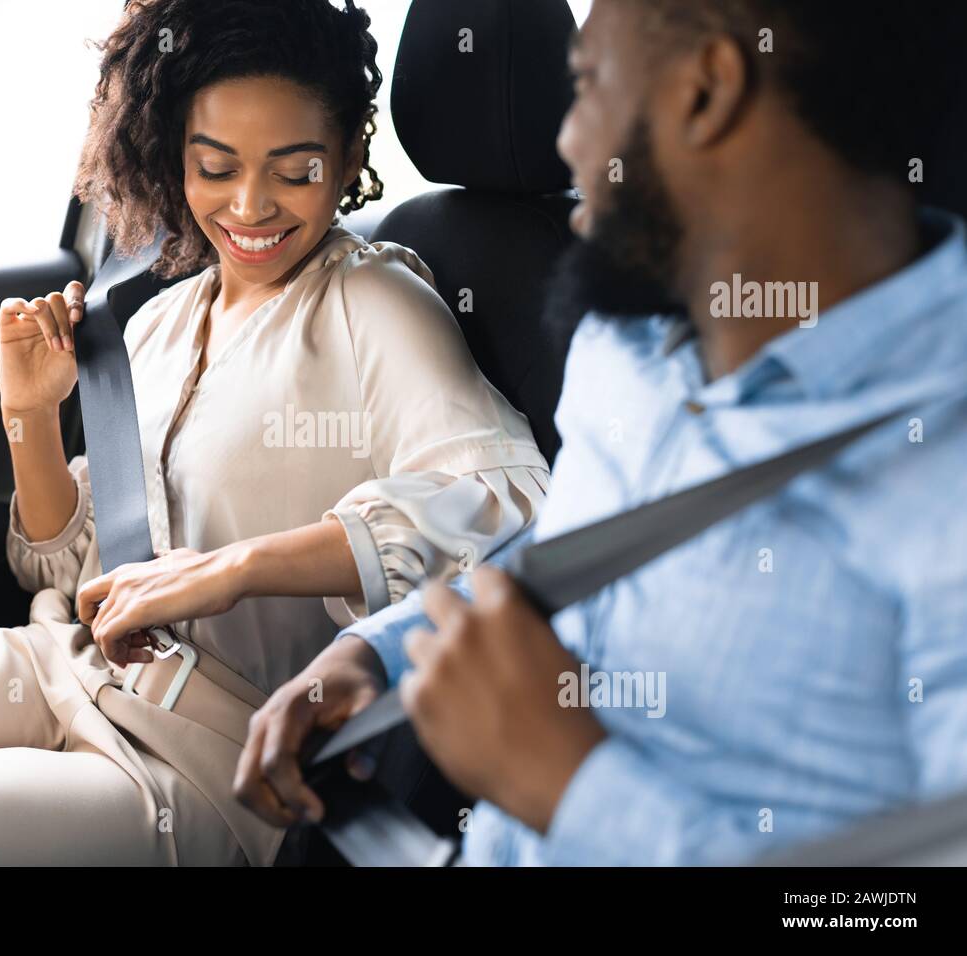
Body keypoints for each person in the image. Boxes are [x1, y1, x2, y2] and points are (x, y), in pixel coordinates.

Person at [235, 0, 967, 865]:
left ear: (706, 93)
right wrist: (377, 656)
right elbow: (568, 555)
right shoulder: (627, 346)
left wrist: (569, 786)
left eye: (585, 89)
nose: (569, 144)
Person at [0, 0, 549, 865]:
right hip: (61, 663)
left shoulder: (376, 304)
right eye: (217, 167)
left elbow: (508, 508)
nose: (251, 205)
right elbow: (77, 567)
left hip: (201, 763)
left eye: (294, 169)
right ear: (175, 157)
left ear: (350, 155)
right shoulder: (162, 322)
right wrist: (30, 415)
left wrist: (231, 569)